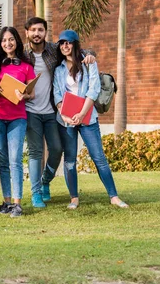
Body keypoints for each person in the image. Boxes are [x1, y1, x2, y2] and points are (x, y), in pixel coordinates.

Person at [22, 17, 97, 207]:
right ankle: (36, 192)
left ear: (45, 33)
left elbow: (76, 48)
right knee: (35, 152)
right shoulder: (22, 53)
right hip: (30, 110)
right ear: (27, 33)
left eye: (40, 30)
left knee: (57, 149)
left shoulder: (52, 50)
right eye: (33, 30)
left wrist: (90, 55)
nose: (36, 33)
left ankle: (46, 179)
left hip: (51, 110)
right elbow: (3, 55)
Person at [53, 29, 129, 210]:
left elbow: (94, 90)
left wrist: (81, 113)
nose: (65, 46)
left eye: (68, 42)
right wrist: (64, 114)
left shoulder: (88, 63)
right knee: (70, 160)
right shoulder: (58, 70)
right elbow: (57, 94)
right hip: (66, 119)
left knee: (99, 158)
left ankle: (114, 196)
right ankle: (74, 198)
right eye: (62, 43)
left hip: (88, 118)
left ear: (75, 44)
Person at [0, 26, 36, 217]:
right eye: (4, 40)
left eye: (11, 39)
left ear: (17, 41)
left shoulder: (26, 66)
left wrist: (23, 96)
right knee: (2, 162)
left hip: (17, 117)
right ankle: (6, 202)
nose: (8, 43)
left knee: (15, 160)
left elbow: (32, 93)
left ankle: (17, 203)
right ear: (0, 43)